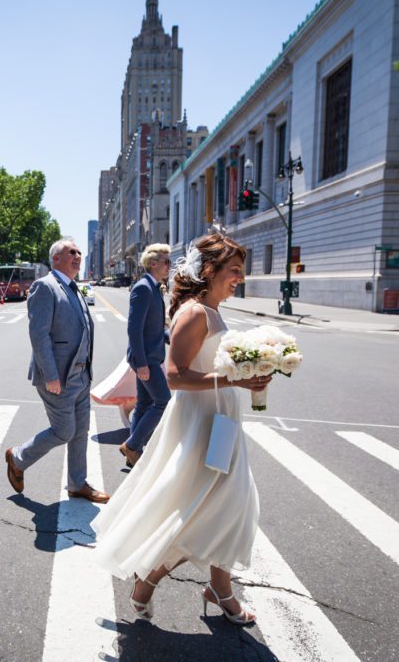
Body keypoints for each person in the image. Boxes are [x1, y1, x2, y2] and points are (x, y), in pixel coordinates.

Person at [91, 233, 273, 627]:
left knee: (228, 504)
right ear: (210, 270)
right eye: (234, 270)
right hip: (201, 424)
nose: (240, 278)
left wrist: (247, 373)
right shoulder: (195, 313)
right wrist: (235, 381)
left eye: (241, 270)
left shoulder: (213, 309)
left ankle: (219, 589)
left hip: (221, 418)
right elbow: (174, 376)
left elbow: (213, 365)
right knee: (196, 510)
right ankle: (148, 581)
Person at [5, 238, 108, 504]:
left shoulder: (74, 288)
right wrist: (50, 374)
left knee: (80, 431)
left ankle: (77, 483)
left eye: (79, 252)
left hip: (81, 375)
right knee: (64, 431)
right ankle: (17, 457)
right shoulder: (45, 286)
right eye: (70, 252)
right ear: (55, 259)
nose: (77, 256)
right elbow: (39, 335)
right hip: (58, 377)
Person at [119, 243, 172, 468]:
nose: (170, 266)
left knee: (143, 405)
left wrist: (174, 336)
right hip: (146, 359)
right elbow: (134, 328)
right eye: (166, 262)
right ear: (153, 264)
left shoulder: (154, 287)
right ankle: (132, 445)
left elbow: (154, 328)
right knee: (163, 402)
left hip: (151, 356)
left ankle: (133, 454)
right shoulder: (143, 288)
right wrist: (141, 363)